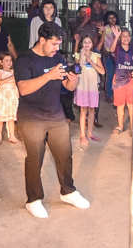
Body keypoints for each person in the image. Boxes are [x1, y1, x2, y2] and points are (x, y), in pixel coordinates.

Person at [14, 22, 91, 218]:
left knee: (65, 154)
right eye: (54, 44)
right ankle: (33, 199)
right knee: (35, 157)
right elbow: (23, 88)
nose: (57, 48)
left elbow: (68, 87)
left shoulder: (57, 58)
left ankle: (68, 191)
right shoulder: (25, 59)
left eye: (59, 44)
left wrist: (73, 78)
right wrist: (49, 76)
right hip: (31, 116)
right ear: (42, 40)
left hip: (55, 114)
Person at [73, 34, 105, 147]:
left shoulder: (96, 56)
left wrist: (91, 61)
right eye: (85, 42)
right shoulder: (78, 55)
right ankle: (82, 134)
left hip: (92, 87)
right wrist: (82, 55)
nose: (87, 44)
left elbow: (102, 71)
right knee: (83, 111)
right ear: (82, 44)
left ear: (92, 44)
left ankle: (90, 133)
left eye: (89, 42)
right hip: (82, 86)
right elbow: (77, 68)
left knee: (92, 110)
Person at [0, 51, 20, 144]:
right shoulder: (0, 72)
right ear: (1, 62)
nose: (9, 62)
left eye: (10, 60)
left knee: (11, 117)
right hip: (3, 97)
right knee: (0, 118)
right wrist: (10, 78)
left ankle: (12, 136)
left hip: (12, 96)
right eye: (6, 60)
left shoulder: (14, 72)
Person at [111, 28, 133, 133]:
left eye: (127, 35)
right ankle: (120, 126)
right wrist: (116, 36)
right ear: (120, 38)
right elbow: (111, 50)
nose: (126, 38)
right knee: (120, 105)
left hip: (131, 80)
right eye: (123, 36)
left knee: (131, 105)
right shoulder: (117, 49)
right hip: (119, 81)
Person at [100, 13, 122, 103]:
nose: (112, 19)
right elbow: (101, 41)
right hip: (107, 54)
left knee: (117, 76)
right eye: (110, 18)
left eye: (114, 17)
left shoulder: (119, 28)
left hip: (117, 54)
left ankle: (115, 94)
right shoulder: (104, 28)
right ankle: (108, 95)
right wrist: (103, 50)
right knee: (110, 75)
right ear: (107, 20)